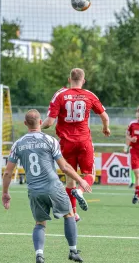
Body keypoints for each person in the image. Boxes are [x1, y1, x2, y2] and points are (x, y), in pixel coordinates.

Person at [2, 109, 91, 263]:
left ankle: (39, 254)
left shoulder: (18, 144)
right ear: (41, 122)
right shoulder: (50, 140)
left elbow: (8, 172)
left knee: (40, 224)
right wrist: (81, 181)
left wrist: (5, 193)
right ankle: (73, 251)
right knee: (69, 214)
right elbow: (64, 167)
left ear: (25, 123)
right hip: (53, 186)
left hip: (35, 190)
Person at [41, 68, 110, 222]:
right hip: (84, 141)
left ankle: (73, 213)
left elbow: (50, 122)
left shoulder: (60, 94)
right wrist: (106, 128)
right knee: (90, 174)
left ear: (69, 79)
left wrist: (38, 127)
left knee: (70, 179)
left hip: (66, 143)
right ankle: (80, 191)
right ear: (83, 81)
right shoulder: (89, 95)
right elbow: (105, 117)